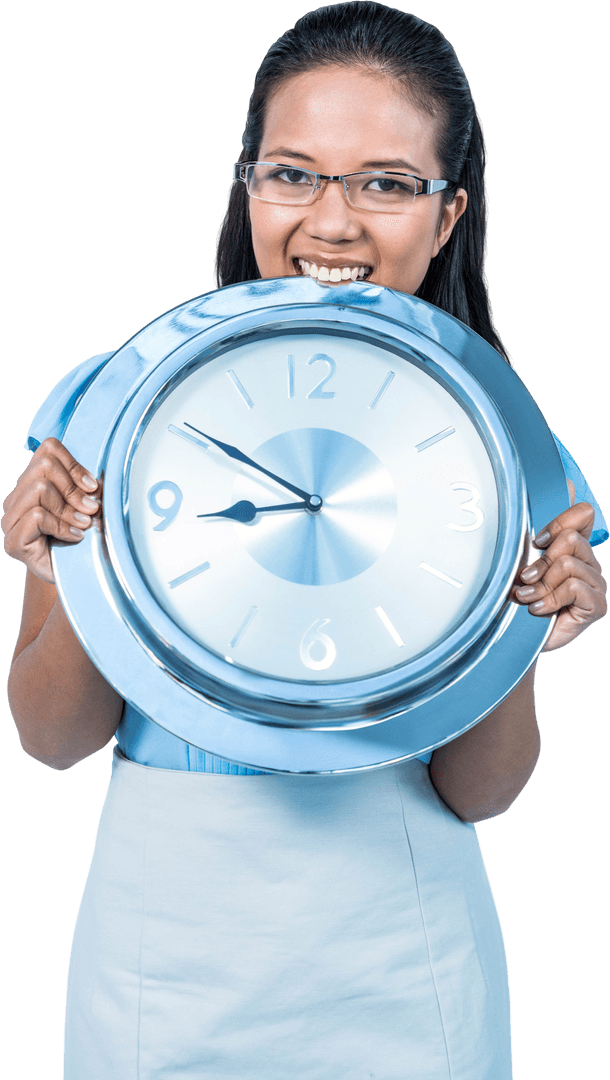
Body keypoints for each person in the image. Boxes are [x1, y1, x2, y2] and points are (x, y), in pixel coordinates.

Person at [2, 3, 607, 1078]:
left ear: (448, 211)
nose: (330, 221)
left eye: (384, 183)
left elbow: (481, 791)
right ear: (247, 187)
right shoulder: (115, 404)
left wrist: (513, 638)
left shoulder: (507, 451)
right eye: (293, 174)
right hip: (166, 950)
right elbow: (53, 740)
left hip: (398, 945)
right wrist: (73, 567)